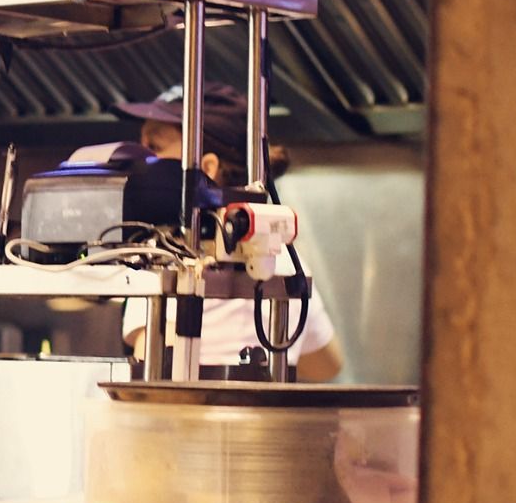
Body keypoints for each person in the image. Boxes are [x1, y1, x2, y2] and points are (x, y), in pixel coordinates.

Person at [115, 84, 346, 381]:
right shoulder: (283, 256)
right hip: (261, 411)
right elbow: (326, 366)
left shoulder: (169, 255)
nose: (139, 162)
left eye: (154, 148)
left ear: (207, 168)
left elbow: (156, 366)